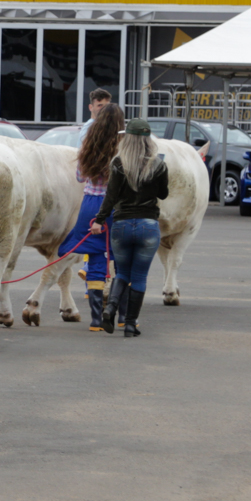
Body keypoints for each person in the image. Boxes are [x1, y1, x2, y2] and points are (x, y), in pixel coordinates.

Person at [91, 117, 168, 338]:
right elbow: (163, 194)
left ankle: (110, 309)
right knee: (140, 277)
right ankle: (131, 325)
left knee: (122, 272)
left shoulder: (117, 162)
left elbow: (111, 196)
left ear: (128, 138)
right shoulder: (159, 164)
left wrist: (99, 220)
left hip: (122, 225)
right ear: (148, 139)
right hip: (148, 226)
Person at [63, 90, 120, 330]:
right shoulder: (123, 144)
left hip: (90, 205)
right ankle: (124, 317)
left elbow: (79, 176)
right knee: (123, 261)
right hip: (115, 207)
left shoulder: (88, 142)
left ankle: (96, 320)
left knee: (96, 260)